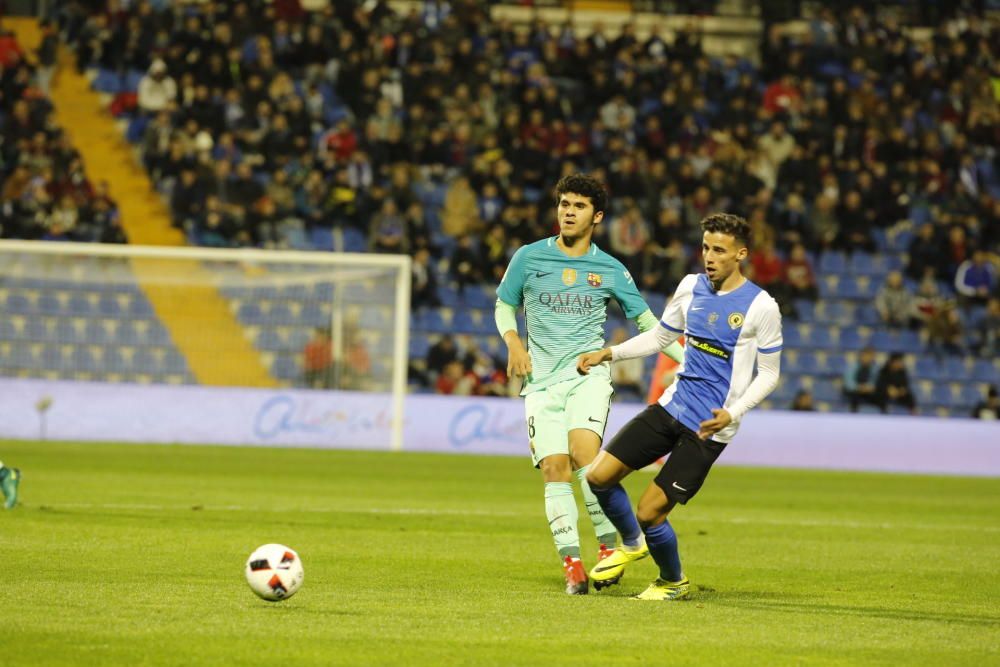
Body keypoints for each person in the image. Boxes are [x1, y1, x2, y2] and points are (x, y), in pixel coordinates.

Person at [495, 173, 684, 595]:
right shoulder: (528, 257)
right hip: (540, 381)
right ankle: (573, 566)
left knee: (585, 455)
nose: (568, 212)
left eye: (578, 206)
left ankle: (606, 549)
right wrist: (512, 343)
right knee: (554, 469)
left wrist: (690, 363)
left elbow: (649, 324)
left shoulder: (611, 269)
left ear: (596, 216)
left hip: (587, 375)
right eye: (564, 204)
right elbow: (505, 305)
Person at [577, 213, 782, 601]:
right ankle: (632, 544)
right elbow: (660, 337)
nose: (709, 256)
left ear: (740, 254)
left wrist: (733, 413)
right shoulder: (690, 287)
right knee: (598, 476)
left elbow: (769, 374)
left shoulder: (761, 306)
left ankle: (673, 581)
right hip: (672, 405)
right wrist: (610, 352)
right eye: (705, 247)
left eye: (719, 250)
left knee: (650, 510)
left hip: (709, 426)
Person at [843, 346, 883, 413]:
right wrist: (859, 387)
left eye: (870, 356)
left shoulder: (875, 368)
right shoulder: (852, 366)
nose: (868, 358)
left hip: (869, 391)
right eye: (866, 356)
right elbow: (848, 383)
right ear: (861, 356)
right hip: (855, 391)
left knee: (881, 396)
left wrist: (869, 387)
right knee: (853, 397)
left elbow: (876, 381)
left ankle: (884, 417)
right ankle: (853, 416)